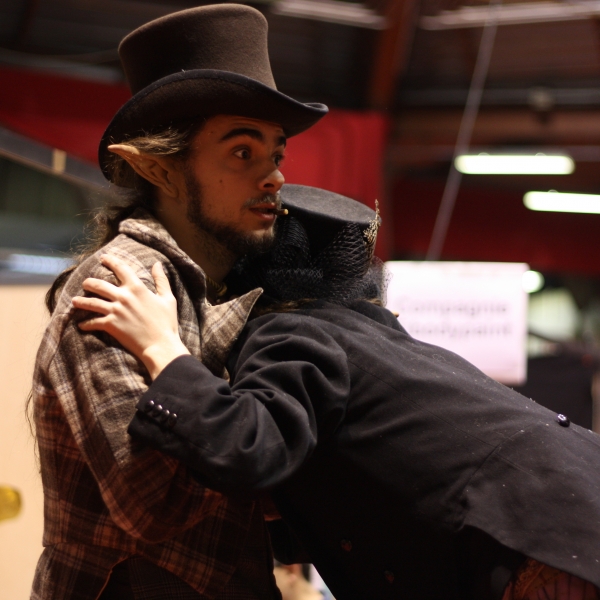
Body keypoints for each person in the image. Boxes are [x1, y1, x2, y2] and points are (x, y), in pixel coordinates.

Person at [73, 184, 600, 600]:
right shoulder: (373, 337)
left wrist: (162, 348)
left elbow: (246, 446)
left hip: (543, 542)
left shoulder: (292, 329)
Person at [30, 5, 327, 599]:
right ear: (159, 171)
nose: (273, 177)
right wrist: (262, 460)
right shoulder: (119, 286)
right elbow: (153, 506)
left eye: (275, 154)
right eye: (242, 152)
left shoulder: (224, 288)